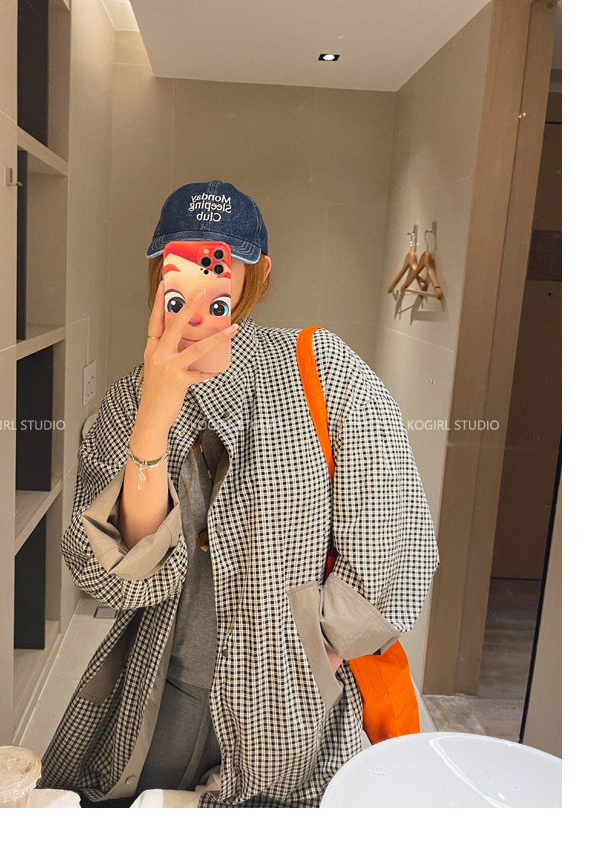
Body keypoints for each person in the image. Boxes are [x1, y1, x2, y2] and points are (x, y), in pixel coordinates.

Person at [39, 180, 439, 808]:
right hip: (160, 694)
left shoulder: (323, 370)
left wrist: (321, 653)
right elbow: (114, 581)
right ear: (158, 270)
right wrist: (153, 418)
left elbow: (395, 536)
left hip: (295, 708)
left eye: (220, 266)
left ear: (258, 275)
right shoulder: (128, 403)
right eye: (184, 264)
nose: (202, 290)